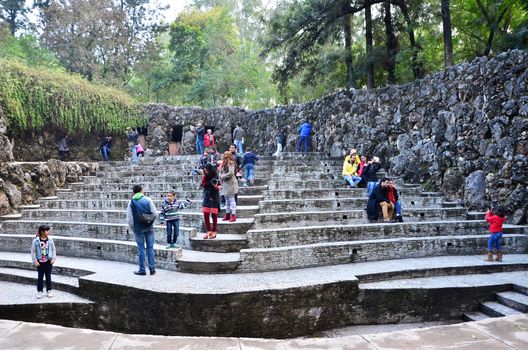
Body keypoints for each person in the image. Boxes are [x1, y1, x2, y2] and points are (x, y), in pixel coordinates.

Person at [127, 184, 158, 275]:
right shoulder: (148, 200)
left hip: (138, 228)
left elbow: (129, 219)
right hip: (149, 227)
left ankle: (142, 270)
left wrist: (134, 229)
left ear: (133, 192)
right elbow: (155, 214)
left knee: (141, 249)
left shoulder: (131, 202)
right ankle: (152, 269)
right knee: (150, 248)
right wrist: (149, 222)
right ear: (141, 190)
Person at [31, 225, 56, 299]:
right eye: (46, 231)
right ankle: (40, 291)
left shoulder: (50, 240)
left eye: (48, 230)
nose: (48, 232)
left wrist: (53, 258)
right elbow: (33, 252)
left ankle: (49, 290)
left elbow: (54, 249)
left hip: (48, 262)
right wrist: (35, 261)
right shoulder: (35, 241)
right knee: (40, 277)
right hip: (40, 263)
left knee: (48, 276)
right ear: (42, 232)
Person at [201, 163, 221, 239]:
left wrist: (216, 186)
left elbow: (219, 186)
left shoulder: (216, 176)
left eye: (207, 170)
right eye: (204, 170)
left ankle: (214, 231)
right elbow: (203, 185)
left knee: (214, 214)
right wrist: (208, 183)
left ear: (210, 170)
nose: (205, 172)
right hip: (207, 196)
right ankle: (208, 231)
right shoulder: (205, 177)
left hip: (214, 196)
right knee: (205, 214)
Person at [220, 152, 239, 222]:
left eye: (226, 156)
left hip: (231, 183)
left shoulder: (231, 163)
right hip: (226, 183)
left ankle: (233, 215)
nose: (225, 157)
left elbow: (231, 173)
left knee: (231, 199)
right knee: (227, 200)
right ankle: (227, 214)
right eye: (224, 156)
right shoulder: (224, 163)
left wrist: (222, 176)